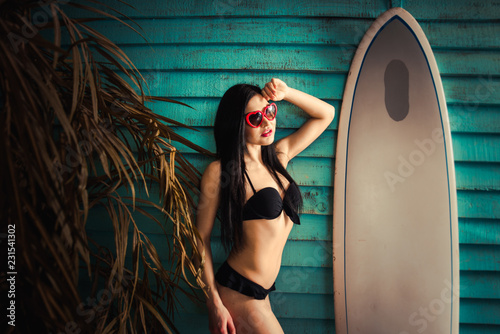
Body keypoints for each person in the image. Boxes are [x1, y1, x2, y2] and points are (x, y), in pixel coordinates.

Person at [195, 78, 335, 333]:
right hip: (237, 293)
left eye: (269, 111)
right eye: (255, 118)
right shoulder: (220, 172)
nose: (267, 122)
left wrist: (286, 92)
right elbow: (199, 237)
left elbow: (326, 114)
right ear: (238, 125)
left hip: (262, 296)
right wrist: (213, 303)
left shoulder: (280, 157)